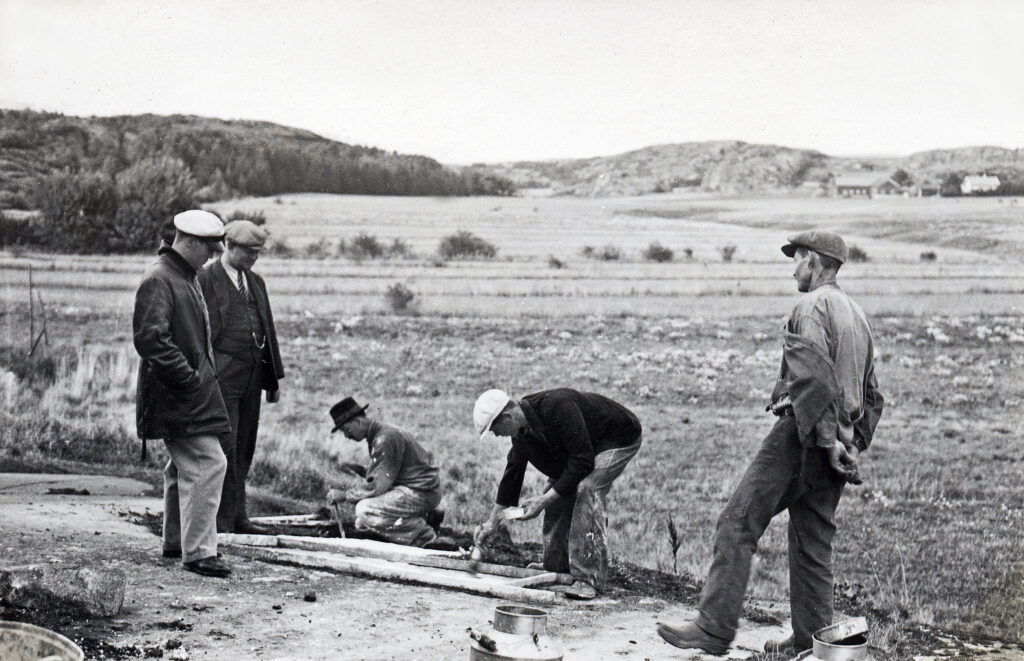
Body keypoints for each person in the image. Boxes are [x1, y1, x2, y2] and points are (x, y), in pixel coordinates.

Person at [656, 230, 884, 656]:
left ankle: (713, 628)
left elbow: (813, 379)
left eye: (798, 259)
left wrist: (827, 438)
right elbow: (873, 394)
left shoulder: (811, 306)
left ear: (816, 262)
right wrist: (853, 445)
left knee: (737, 522)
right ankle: (810, 642)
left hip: (804, 435)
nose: (793, 267)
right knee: (812, 545)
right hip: (836, 448)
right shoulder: (858, 315)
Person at [133, 209, 233, 578]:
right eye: (208, 248)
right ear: (188, 242)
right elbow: (150, 339)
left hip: (185, 392)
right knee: (210, 463)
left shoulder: (183, 275)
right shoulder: (161, 278)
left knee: (182, 466)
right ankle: (200, 552)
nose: (212, 256)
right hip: (178, 393)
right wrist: (189, 379)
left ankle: (177, 542)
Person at [472, 387, 642, 601]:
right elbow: (513, 475)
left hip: (619, 437)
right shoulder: (522, 431)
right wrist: (492, 522)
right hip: (585, 447)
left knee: (587, 488)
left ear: (507, 417)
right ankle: (556, 567)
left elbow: (583, 462)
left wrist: (543, 500)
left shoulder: (557, 406)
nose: (496, 435)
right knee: (557, 493)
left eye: (494, 429)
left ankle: (589, 578)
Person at [198, 220, 284, 535]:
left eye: (258, 253)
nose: (254, 258)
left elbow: (268, 330)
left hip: (252, 376)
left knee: (245, 446)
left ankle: (238, 518)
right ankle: (220, 523)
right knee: (226, 446)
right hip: (221, 377)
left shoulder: (256, 282)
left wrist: (272, 380)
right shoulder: (205, 279)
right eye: (249, 251)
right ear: (229, 246)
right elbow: (199, 334)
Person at [325, 397, 443, 547]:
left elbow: (378, 486)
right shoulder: (381, 434)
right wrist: (361, 470)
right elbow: (390, 472)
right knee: (362, 524)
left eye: (346, 430)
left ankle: (423, 535)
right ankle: (426, 516)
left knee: (365, 511)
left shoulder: (383, 438)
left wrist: (344, 495)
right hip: (420, 489)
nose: (347, 436)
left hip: (421, 492)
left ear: (357, 422)